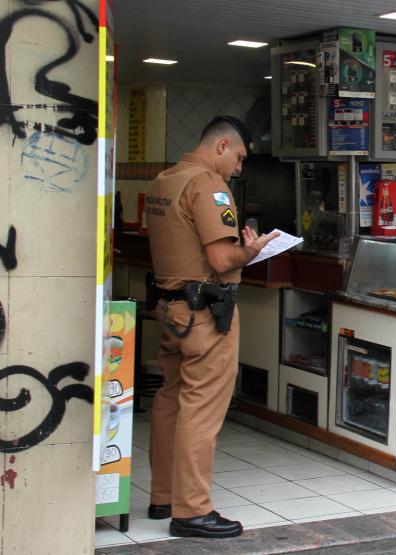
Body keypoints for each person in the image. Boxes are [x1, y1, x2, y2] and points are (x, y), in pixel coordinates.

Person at [144, 116, 279, 538]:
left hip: (170, 310)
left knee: (169, 403)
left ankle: (163, 496)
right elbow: (222, 261)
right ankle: (192, 511)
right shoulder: (208, 185)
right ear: (222, 147)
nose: (239, 168)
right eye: (239, 158)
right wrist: (252, 249)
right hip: (206, 314)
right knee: (201, 410)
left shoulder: (164, 180)